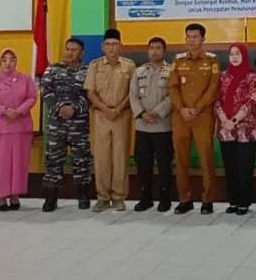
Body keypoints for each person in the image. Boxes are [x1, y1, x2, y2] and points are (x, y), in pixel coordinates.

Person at [168, 23, 220, 215]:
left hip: (202, 117)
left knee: (206, 159)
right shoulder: (178, 60)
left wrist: (197, 108)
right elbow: (172, 87)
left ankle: (207, 200)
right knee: (181, 160)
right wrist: (182, 109)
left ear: (203, 39)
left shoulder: (212, 60)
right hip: (181, 117)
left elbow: (213, 88)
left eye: (195, 37)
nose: (191, 40)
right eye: (188, 37)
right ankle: (185, 199)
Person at [84, 29, 136, 212]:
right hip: (101, 116)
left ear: (120, 46)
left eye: (115, 44)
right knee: (102, 158)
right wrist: (106, 109)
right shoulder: (95, 65)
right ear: (102, 46)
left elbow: (133, 92)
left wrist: (118, 109)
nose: (111, 48)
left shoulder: (129, 66)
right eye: (108, 44)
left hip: (121, 116)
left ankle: (119, 197)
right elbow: (90, 92)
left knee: (120, 158)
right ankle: (103, 197)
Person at [0, 48, 37, 211]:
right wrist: (4, 111)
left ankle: (15, 195)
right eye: (4, 60)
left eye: (11, 60)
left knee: (19, 163)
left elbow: (32, 97)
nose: (8, 63)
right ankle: (1, 196)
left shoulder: (25, 79)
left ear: (16, 62)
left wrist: (18, 111)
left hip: (20, 127)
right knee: (0, 164)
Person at [40, 38, 93, 212]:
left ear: (82, 53)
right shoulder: (53, 69)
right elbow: (46, 92)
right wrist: (60, 107)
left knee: (82, 160)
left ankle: (83, 197)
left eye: (74, 50)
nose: (70, 52)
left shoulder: (88, 71)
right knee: (53, 161)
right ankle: (51, 198)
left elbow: (90, 95)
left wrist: (74, 109)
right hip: (57, 125)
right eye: (68, 49)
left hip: (79, 125)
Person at [215, 43, 256, 215]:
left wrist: (233, 120)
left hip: (246, 130)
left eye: (237, 54)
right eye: (231, 54)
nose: (234, 57)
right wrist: (224, 120)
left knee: (244, 167)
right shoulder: (223, 76)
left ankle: (244, 202)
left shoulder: (251, 76)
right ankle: (233, 201)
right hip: (226, 129)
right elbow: (216, 100)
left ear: (244, 56)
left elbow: (251, 101)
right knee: (230, 167)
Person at [129, 37, 174, 213]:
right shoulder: (139, 71)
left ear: (164, 51)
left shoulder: (172, 71)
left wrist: (156, 112)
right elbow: (133, 95)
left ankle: (165, 199)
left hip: (163, 126)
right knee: (143, 165)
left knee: (164, 166)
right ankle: (145, 199)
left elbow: (173, 95)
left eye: (158, 48)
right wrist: (142, 113)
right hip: (142, 127)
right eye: (151, 48)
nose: (154, 51)